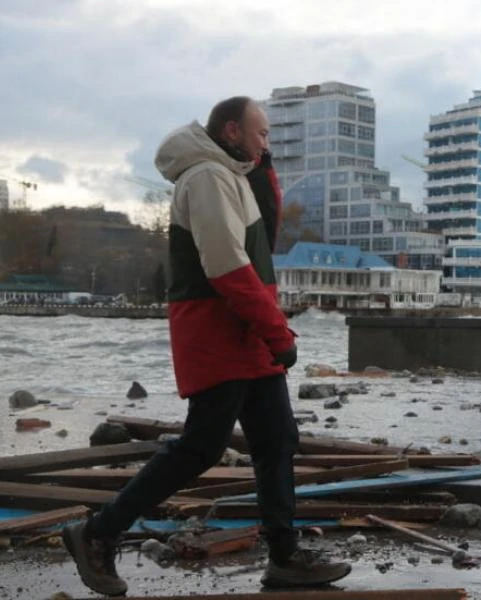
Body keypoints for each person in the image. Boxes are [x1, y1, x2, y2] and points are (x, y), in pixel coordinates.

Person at [62, 97, 351, 596]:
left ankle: (285, 556)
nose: (268, 144)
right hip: (221, 334)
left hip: (244, 334)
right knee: (200, 447)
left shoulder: (231, 174)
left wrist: (268, 329)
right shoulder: (208, 178)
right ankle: (97, 532)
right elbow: (227, 268)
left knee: (277, 441)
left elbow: (252, 254)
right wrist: (277, 331)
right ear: (233, 130)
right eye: (262, 135)